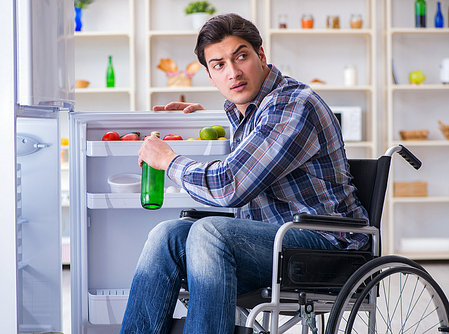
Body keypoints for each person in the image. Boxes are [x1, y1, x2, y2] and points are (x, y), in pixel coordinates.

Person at [120, 13, 369, 334]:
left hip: (326, 248)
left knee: (209, 233)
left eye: (241, 57)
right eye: (219, 65)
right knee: (166, 235)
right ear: (210, 76)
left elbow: (231, 185)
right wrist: (198, 121)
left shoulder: (294, 105)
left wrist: (168, 161)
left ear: (261, 56)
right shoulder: (249, 111)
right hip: (275, 245)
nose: (233, 72)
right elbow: (252, 148)